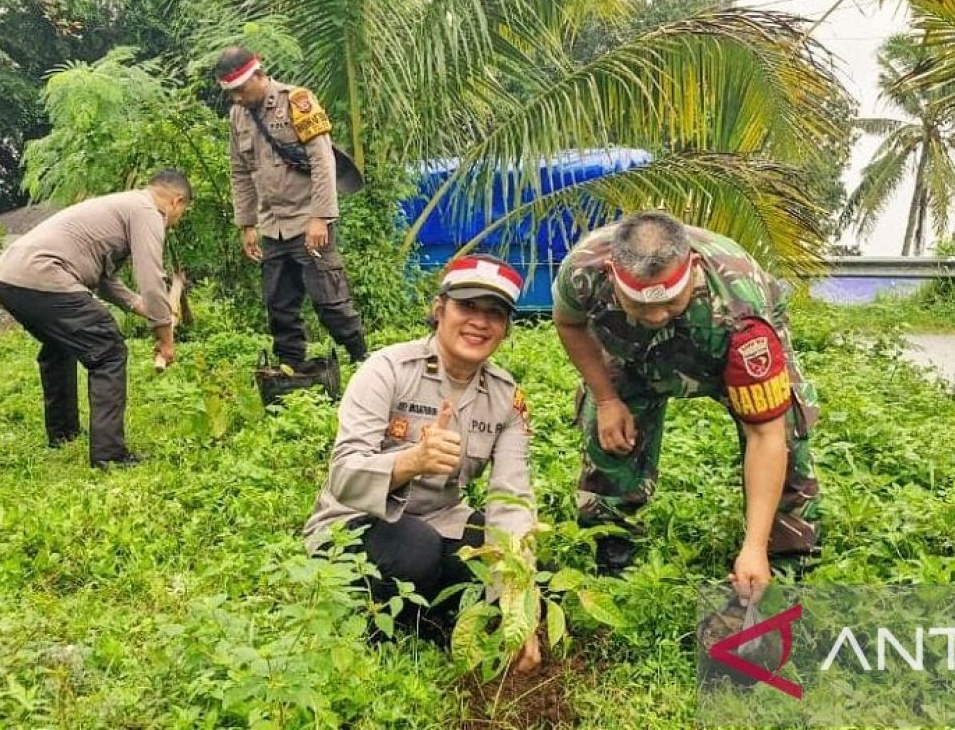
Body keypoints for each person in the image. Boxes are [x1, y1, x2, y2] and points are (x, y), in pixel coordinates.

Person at [552, 211, 821, 599]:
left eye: (668, 303)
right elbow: (569, 323)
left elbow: (765, 435)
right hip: (631, 350)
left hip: (719, 330)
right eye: (641, 305)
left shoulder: (742, 306)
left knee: (786, 433)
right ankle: (613, 551)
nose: (657, 316)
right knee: (609, 432)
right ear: (612, 274)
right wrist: (607, 399)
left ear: (692, 267)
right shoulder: (582, 271)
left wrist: (754, 547)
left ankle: (782, 560)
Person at [304, 254, 541, 672]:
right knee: (414, 548)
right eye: (467, 306)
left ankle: (430, 618)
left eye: (495, 313)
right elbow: (343, 477)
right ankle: (381, 631)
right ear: (439, 309)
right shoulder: (388, 370)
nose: (479, 323)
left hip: (440, 518)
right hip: (353, 523)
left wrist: (517, 604)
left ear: (505, 328)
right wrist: (411, 461)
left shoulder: (506, 398)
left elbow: (511, 499)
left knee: (499, 557)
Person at [0, 170, 192, 468]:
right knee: (108, 350)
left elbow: (104, 280)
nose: (177, 220)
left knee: (60, 344)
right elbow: (151, 280)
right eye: (183, 213)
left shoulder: (124, 205)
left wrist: (141, 307)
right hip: (43, 273)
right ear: (177, 201)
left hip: (8, 277)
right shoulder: (149, 212)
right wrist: (165, 338)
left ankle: (63, 433)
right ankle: (110, 455)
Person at [215, 46, 367, 369]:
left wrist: (321, 218)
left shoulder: (297, 101)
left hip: (307, 219)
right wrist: (246, 225)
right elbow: (239, 170)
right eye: (231, 93)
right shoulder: (237, 116)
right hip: (272, 225)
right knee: (279, 304)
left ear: (258, 75)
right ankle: (290, 368)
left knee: (329, 299)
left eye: (240, 90)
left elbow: (323, 161)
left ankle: (360, 356)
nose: (237, 98)